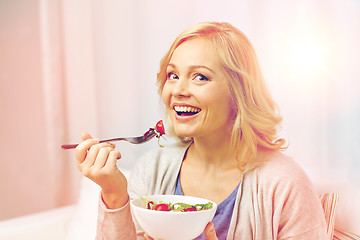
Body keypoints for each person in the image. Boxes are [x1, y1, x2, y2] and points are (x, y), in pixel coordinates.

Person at [75, 22, 328, 240]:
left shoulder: (284, 184)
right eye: (172, 75)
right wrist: (114, 193)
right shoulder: (152, 168)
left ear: (238, 93)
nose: (178, 90)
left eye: (200, 77)